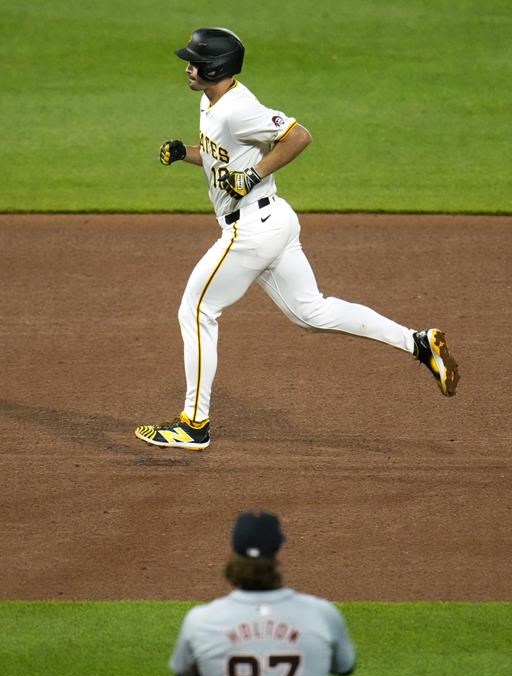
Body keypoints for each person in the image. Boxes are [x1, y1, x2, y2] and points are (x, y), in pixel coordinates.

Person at [135, 27, 459, 451]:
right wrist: (185, 153)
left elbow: (298, 135)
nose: (188, 67)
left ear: (216, 68)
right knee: (312, 312)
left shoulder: (239, 109)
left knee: (196, 309)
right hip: (274, 221)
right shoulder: (211, 103)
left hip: (251, 230)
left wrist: (253, 175)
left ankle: (194, 424)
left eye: (194, 61)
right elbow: (221, 153)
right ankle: (417, 343)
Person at [170, 509, 356, 676]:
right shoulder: (321, 614)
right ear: (279, 555)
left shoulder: (201, 622)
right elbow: (345, 667)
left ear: (231, 553)